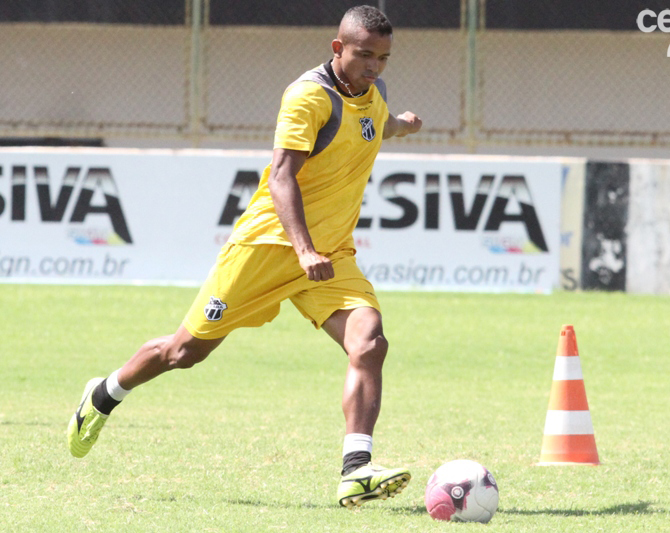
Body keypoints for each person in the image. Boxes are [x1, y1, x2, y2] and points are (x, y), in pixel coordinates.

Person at [67, 5, 422, 509]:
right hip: (268, 248)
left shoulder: (374, 91)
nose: (374, 66)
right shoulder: (308, 96)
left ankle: (356, 470)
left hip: (330, 256)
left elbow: (371, 126)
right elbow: (281, 176)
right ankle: (103, 394)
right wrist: (303, 249)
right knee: (183, 353)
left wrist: (400, 125)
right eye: (364, 55)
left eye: (383, 58)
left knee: (369, 343)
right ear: (337, 48)